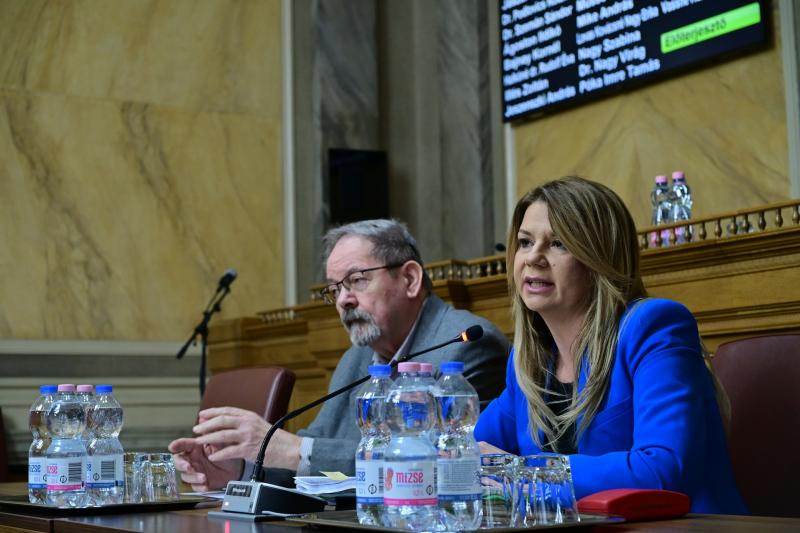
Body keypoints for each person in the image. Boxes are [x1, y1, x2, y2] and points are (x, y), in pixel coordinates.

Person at [474, 176, 747, 514]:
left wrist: (525, 472)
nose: (533, 258)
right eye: (525, 242)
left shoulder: (654, 327)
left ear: (599, 258)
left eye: (558, 243)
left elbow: (662, 469)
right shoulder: (528, 362)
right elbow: (469, 450)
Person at [170, 219, 510, 491]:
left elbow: (440, 464)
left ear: (409, 278)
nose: (343, 300)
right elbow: (315, 456)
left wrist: (295, 450)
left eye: (357, 280)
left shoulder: (465, 347)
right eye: (335, 289)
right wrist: (239, 470)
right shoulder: (357, 359)